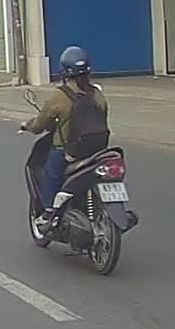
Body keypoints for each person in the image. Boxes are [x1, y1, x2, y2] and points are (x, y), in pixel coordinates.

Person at [20, 46, 110, 227]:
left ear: (65, 72)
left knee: (50, 176)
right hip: (98, 150)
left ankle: (48, 212)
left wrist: (27, 125)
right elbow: (104, 116)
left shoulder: (59, 97)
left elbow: (39, 125)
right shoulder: (97, 94)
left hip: (68, 151)